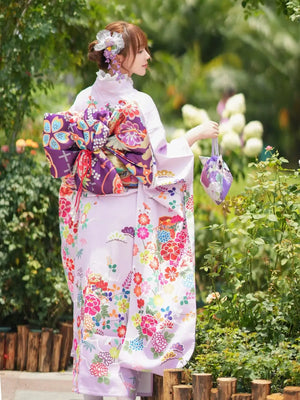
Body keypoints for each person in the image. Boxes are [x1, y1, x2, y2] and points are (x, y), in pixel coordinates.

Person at [43, 21, 219, 400]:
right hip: (126, 214)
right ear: (120, 57)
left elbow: (70, 166)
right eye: (142, 51)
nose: (149, 57)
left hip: (91, 213)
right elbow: (160, 165)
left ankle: (95, 384)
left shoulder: (82, 99)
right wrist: (195, 136)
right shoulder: (140, 104)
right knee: (125, 296)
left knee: (96, 295)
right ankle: (122, 385)